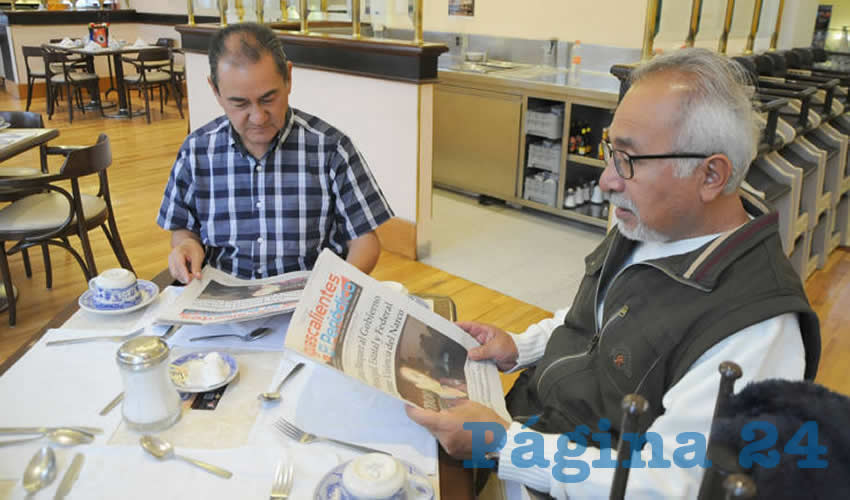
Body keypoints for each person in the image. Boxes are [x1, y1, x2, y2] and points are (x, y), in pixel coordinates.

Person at [407, 48, 821, 498]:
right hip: (527, 424)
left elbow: (664, 485)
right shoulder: (653, 222)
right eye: (611, 152)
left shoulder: (757, 331)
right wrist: (519, 348)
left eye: (628, 160)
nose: (606, 180)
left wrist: (505, 446)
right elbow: (600, 318)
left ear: (711, 176)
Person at [157, 23, 392, 284]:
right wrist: (187, 246)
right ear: (215, 90)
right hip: (224, 298)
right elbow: (182, 228)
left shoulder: (331, 149)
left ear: (288, 78)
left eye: (269, 99)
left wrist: (334, 288)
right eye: (240, 103)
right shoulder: (196, 151)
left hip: (308, 297)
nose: (258, 117)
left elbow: (365, 240)